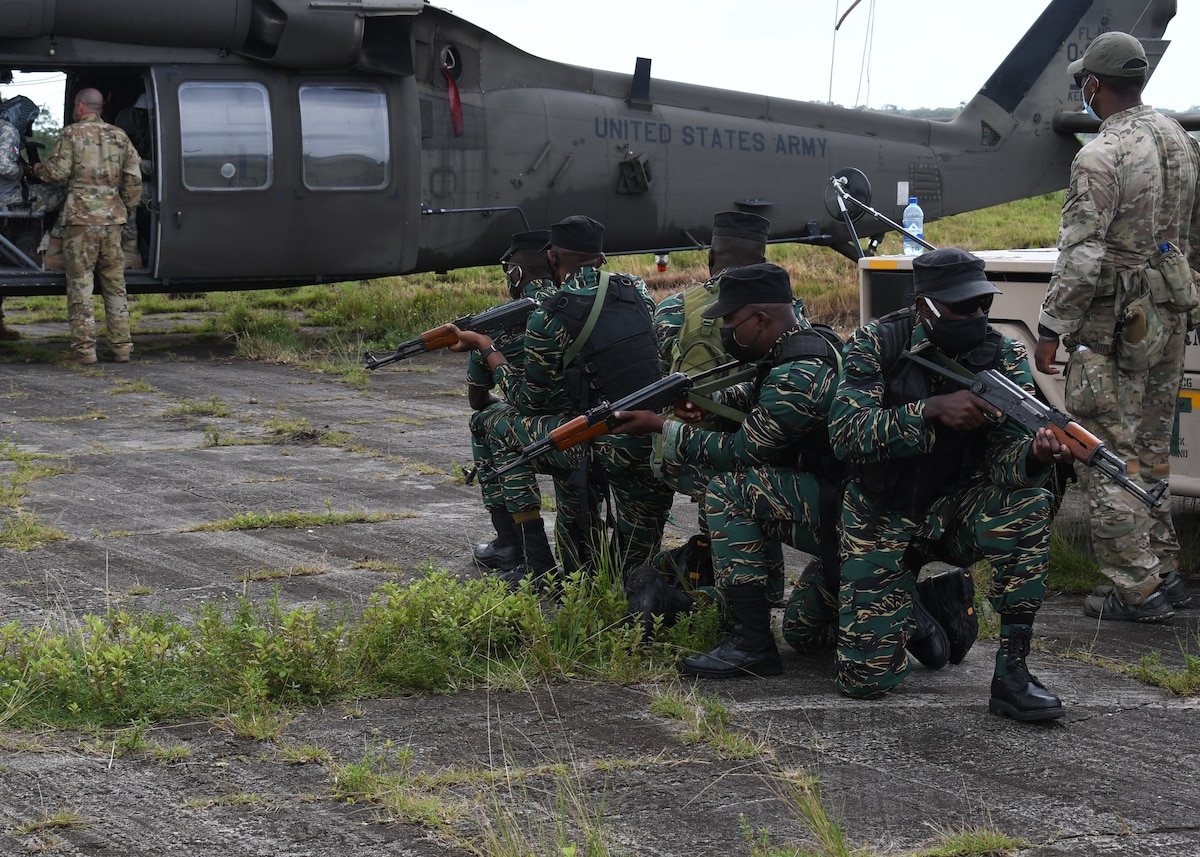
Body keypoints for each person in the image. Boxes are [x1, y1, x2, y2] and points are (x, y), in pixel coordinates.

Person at [831, 247, 1068, 721]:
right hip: (881, 513)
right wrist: (931, 412)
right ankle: (907, 599)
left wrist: (1034, 455)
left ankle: (1012, 675)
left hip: (954, 509)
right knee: (863, 681)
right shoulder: (878, 342)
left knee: (1030, 504)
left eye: (984, 305)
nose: (978, 316)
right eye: (963, 307)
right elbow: (845, 433)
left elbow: (1006, 458)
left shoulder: (1001, 353)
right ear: (925, 306)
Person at [1035, 31, 1199, 623]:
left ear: (1095, 85)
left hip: (1113, 323)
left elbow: (1081, 256)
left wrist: (1051, 327)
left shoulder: (1099, 155)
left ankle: (1135, 587)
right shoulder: (1179, 137)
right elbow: (1195, 233)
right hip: (1169, 315)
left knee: (1103, 448)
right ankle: (1162, 570)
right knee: (1154, 446)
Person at [614, 262, 842, 678]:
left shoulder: (800, 373)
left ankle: (751, 644)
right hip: (837, 496)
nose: (725, 332)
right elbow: (756, 393)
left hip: (848, 511)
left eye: (731, 322)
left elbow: (743, 452)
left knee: (728, 491)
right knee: (804, 633)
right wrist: (709, 402)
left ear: (761, 318)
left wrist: (663, 427)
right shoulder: (799, 346)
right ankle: (923, 602)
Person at [451, 215, 672, 580]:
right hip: (654, 442)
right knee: (630, 574)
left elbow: (528, 404)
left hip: (597, 441)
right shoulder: (637, 290)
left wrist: (488, 349)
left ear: (553, 258)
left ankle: (535, 565)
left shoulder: (549, 316)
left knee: (493, 423)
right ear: (601, 256)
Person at [468, 229, 557, 575]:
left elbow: (478, 400)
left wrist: (486, 348)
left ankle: (512, 545)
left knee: (489, 422)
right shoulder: (580, 302)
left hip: (549, 433)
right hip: (597, 421)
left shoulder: (499, 325)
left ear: (516, 273)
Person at [34, 87, 141, 365]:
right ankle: (121, 348)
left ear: (80, 107)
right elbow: (133, 179)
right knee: (115, 286)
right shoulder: (120, 135)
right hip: (112, 220)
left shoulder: (72, 134)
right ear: (101, 107)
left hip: (81, 221)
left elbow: (56, 173)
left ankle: (84, 351)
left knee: (81, 285)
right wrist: (124, 209)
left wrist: (36, 169)